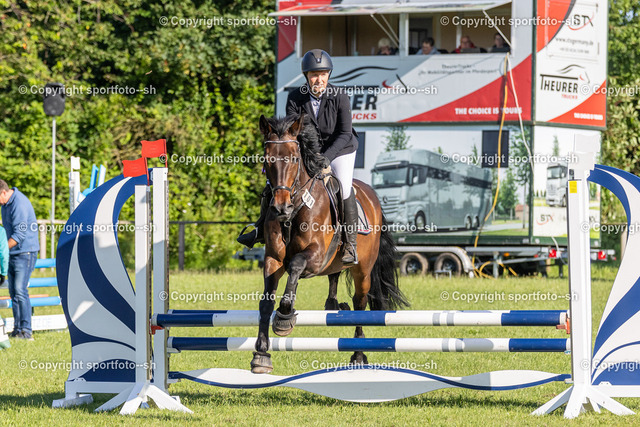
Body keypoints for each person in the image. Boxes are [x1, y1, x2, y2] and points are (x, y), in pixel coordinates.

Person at [237, 49, 360, 265]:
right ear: (306, 76)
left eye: (323, 74)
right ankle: (259, 228)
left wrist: (326, 157)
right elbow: (293, 134)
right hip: (309, 151)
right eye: (314, 75)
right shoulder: (295, 97)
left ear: (328, 75)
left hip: (341, 149)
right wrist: (306, 157)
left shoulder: (339, 96)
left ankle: (350, 243)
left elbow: (344, 133)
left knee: (344, 187)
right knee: (275, 183)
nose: (319, 79)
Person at [0, 179, 39, 340]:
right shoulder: (5, 205)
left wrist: (2, 248)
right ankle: (17, 329)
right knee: (13, 292)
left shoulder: (19, 203)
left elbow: (19, 235)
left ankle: (26, 330)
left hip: (25, 252)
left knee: (20, 290)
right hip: (13, 252)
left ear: (3, 192)